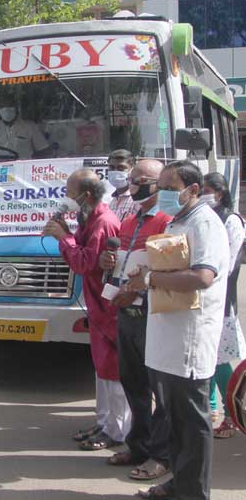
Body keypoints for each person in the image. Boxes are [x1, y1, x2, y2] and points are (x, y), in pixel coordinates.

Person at [125, 160, 229, 500]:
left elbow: (202, 277)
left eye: (169, 188)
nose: (163, 194)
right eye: (161, 187)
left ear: (193, 189)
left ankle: (193, 493)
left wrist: (151, 279)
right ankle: (179, 484)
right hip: (166, 339)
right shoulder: (178, 221)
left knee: (191, 423)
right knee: (175, 421)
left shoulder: (205, 224)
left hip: (188, 341)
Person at [43, 169, 130, 451]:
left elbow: (85, 263)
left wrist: (63, 239)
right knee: (101, 367)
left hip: (109, 306)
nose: (67, 199)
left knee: (113, 371)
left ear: (87, 196)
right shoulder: (88, 217)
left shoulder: (103, 222)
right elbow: (81, 251)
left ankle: (118, 430)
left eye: (70, 194)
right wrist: (66, 233)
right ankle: (104, 422)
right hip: (96, 304)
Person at [98, 160, 171, 481]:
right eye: (131, 180)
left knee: (162, 392)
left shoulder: (169, 222)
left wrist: (137, 291)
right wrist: (106, 261)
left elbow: (169, 271)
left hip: (153, 315)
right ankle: (138, 445)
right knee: (134, 385)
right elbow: (118, 265)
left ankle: (161, 455)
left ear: (160, 184)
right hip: (124, 314)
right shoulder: (130, 220)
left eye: (140, 180)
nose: (134, 184)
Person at [201, 172, 246, 440]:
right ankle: (212, 409)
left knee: (218, 360)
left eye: (209, 190)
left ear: (220, 192)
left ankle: (231, 414)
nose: (205, 194)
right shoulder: (204, 217)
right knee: (205, 358)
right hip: (201, 300)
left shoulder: (232, 220)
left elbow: (226, 266)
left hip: (221, 299)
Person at [0, 92, 51, 159]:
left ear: (16, 108)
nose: (6, 109)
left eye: (10, 106)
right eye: (3, 106)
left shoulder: (30, 126)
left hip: (24, 167)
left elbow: (43, 149)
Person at [106, 149, 140, 222]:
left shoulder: (137, 201)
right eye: (111, 167)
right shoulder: (111, 202)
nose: (115, 171)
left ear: (132, 170)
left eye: (120, 168)